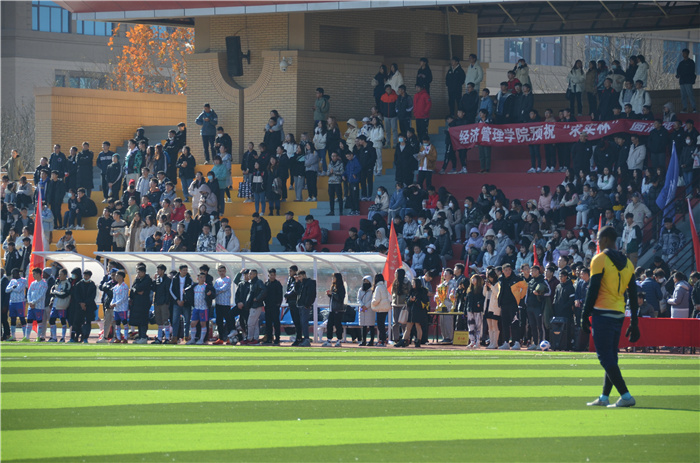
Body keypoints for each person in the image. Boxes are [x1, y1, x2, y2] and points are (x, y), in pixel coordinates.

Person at [581, 225, 639, 408]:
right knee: (611, 356)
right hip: (619, 313)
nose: (597, 242)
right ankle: (604, 397)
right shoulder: (628, 263)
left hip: (602, 312)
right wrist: (634, 322)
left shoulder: (600, 259)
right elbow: (633, 295)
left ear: (605, 239)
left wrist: (584, 314)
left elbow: (593, 289)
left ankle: (626, 395)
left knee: (605, 357)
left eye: (599, 239)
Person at [395, 277, 428, 348]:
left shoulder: (423, 291)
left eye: (413, 283)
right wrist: (410, 300)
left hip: (419, 312)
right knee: (408, 327)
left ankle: (418, 341)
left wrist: (415, 300)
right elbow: (407, 302)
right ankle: (403, 340)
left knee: (418, 327)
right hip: (411, 312)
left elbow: (424, 303)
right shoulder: (411, 291)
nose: (412, 284)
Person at [186, 272, 214, 345]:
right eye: (201, 277)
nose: (202, 279)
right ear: (197, 278)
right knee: (193, 324)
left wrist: (210, 294)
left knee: (203, 324)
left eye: (204, 277)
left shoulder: (207, 287)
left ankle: (202, 340)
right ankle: (193, 339)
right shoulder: (195, 286)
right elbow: (188, 292)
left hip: (203, 308)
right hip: (196, 308)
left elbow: (213, 294)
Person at [323, 272, 347, 347]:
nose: (332, 279)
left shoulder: (341, 287)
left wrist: (333, 294)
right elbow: (334, 298)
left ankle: (339, 340)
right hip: (332, 309)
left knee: (337, 325)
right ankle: (329, 339)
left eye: (334, 278)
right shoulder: (333, 286)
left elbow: (340, 298)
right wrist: (329, 295)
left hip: (338, 310)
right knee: (329, 324)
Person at [151, 264, 172, 344]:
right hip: (157, 302)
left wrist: (166, 302)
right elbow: (153, 289)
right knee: (159, 321)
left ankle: (167, 338)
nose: (157, 272)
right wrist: (154, 280)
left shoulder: (167, 280)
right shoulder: (157, 279)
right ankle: (159, 338)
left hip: (164, 303)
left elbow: (168, 291)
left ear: (163, 271)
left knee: (165, 320)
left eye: (159, 270)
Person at [5, 268, 28, 341]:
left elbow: (19, 290)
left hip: (20, 302)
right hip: (12, 302)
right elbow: (6, 290)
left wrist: (12, 289)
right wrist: (13, 287)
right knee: (13, 319)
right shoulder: (12, 281)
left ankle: (25, 336)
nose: (12, 275)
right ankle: (13, 336)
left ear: (18, 273)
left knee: (22, 318)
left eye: (14, 274)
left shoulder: (23, 280)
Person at [25, 268, 47, 342]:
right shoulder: (33, 283)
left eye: (34, 274)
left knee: (39, 321)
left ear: (38, 274)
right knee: (29, 321)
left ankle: (38, 337)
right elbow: (28, 293)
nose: (33, 275)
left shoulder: (44, 283)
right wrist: (30, 302)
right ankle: (27, 337)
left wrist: (33, 302)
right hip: (31, 306)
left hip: (39, 306)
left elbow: (41, 295)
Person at [263, 268, 283, 345]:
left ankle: (277, 338)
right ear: (268, 275)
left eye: (274, 275)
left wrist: (278, 304)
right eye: (271, 275)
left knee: (276, 323)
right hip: (267, 306)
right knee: (268, 323)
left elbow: (280, 295)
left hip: (275, 306)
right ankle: (269, 338)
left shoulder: (277, 284)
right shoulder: (266, 284)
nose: (272, 276)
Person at [370, 273, 391, 346]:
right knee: (382, 324)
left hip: (380, 308)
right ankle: (382, 340)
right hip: (385, 308)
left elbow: (377, 299)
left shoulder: (378, 287)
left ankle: (382, 340)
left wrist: (372, 303)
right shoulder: (384, 286)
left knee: (380, 325)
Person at [296, 270, 315, 347]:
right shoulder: (300, 283)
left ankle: (306, 339)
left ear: (304, 275)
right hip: (300, 305)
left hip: (305, 306)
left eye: (300, 276)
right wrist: (296, 283)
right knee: (302, 323)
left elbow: (311, 294)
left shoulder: (309, 283)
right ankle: (304, 338)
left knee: (304, 322)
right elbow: (296, 292)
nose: (299, 278)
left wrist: (307, 304)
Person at [482, 271, 501, 349]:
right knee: (489, 326)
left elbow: (497, 294)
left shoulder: (498, 284)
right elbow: (484, 294)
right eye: (489, 277)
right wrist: (485, 286)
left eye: (491, 277)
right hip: (487, 305)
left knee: (494, 325)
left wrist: (491, 286)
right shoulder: (488, 285)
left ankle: (495, 343)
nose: (490, 279)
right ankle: (491, 342)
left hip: (494, 306)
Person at [676, 48, 697, 113]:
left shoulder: (691, 62)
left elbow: (692, 71)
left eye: (684, 53)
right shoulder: (681, 63)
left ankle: (694, 108)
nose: (683, 54)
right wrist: (678, 75)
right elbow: (678, 71)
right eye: (683, 53)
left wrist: (691, 79)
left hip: (688, 81)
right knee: (683, 95)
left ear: (687, 54)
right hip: (682, 81)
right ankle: (684, 108)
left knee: (690, 94)